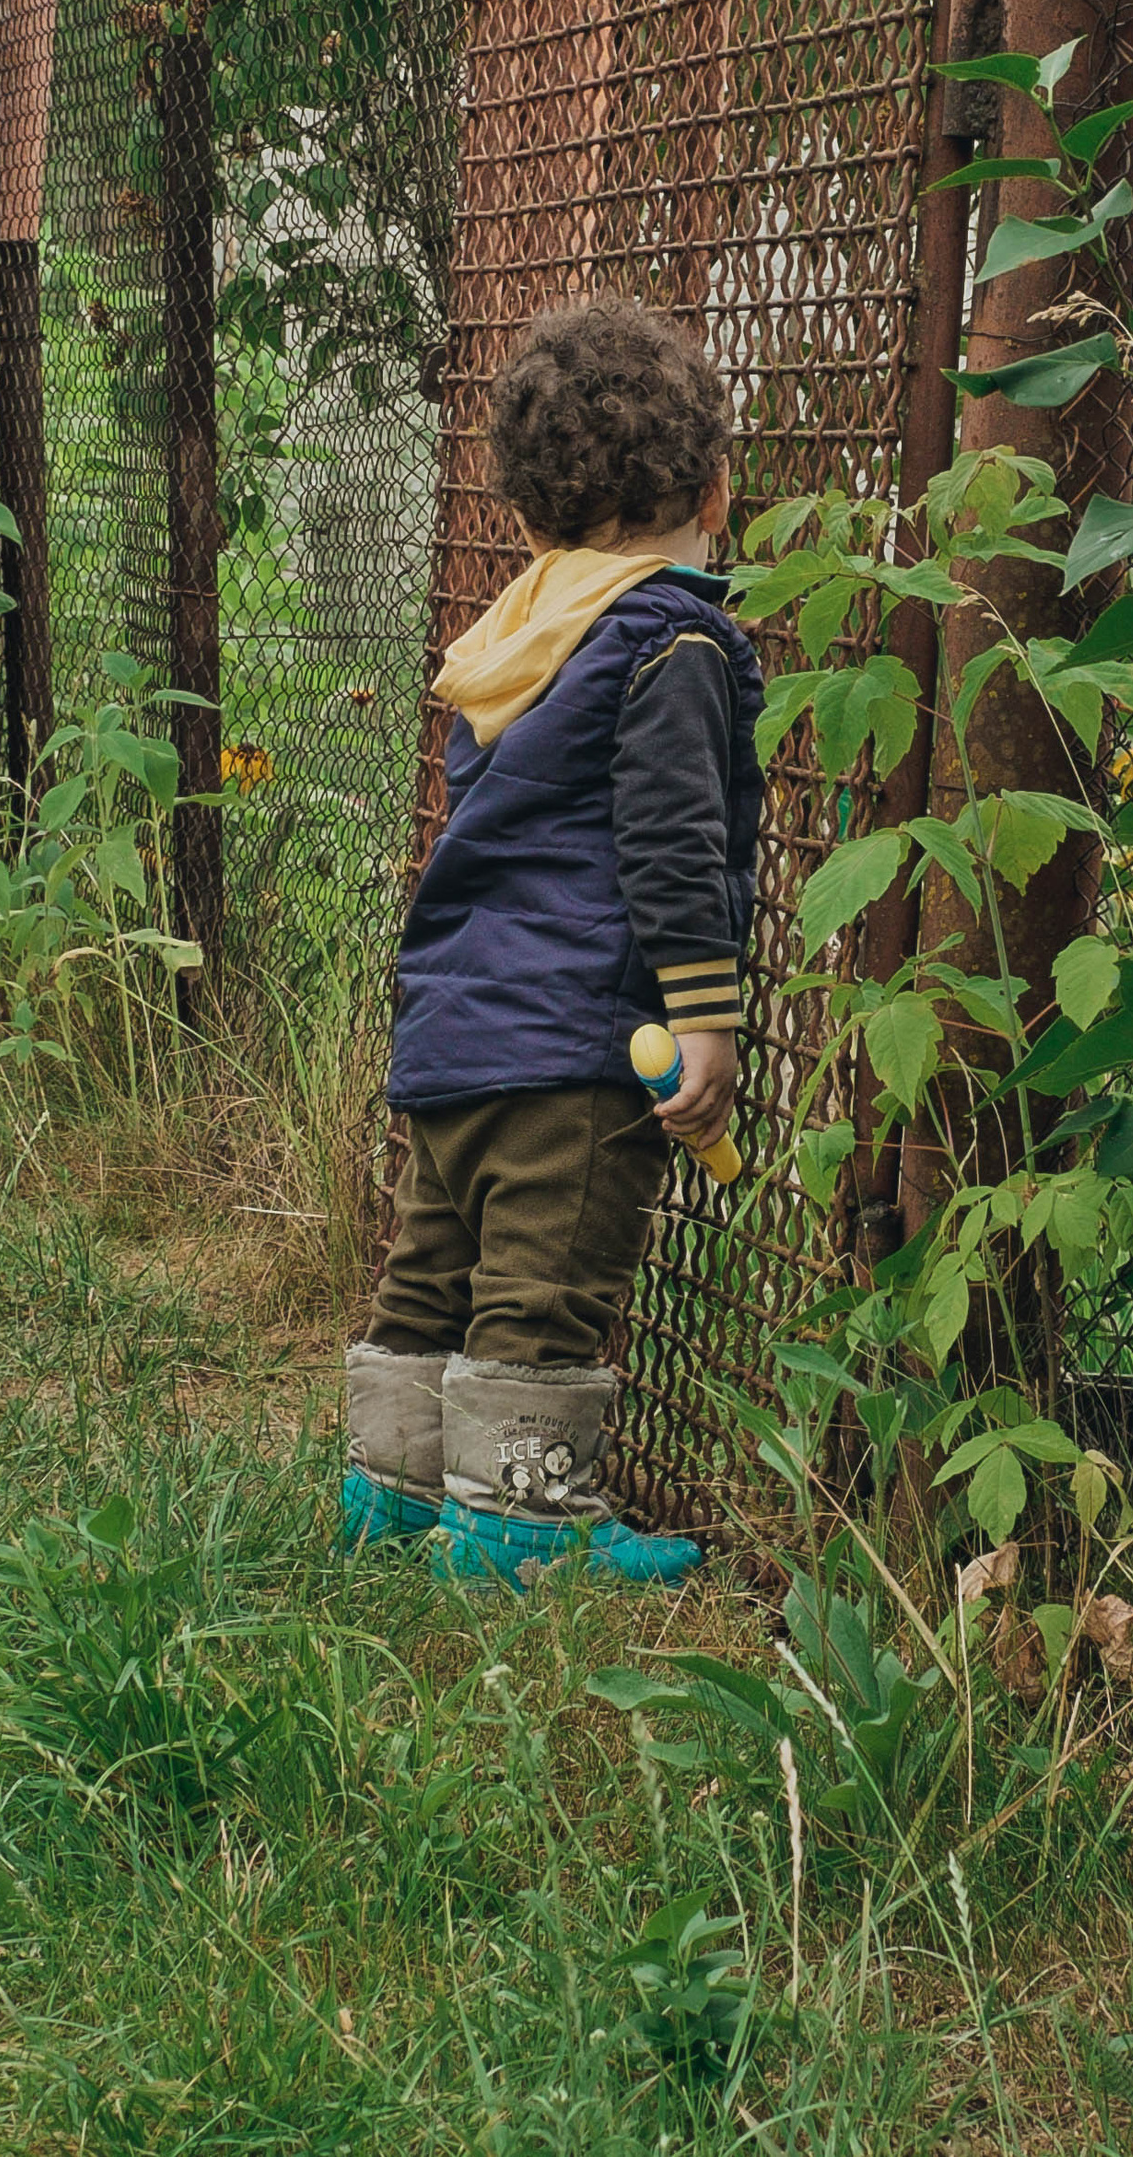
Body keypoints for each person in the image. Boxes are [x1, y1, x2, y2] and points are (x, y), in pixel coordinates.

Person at [343, 297, 763, 1588]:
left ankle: (391, 1498)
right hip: (580, 1038)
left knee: (434, 1273)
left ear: (525, 519)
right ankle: (522, 1531)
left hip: (457, 1021)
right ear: (715, 489)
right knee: (542, 1289)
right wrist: (706, 1017)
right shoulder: (673, 640)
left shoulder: (518, 637)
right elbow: (673, 844)